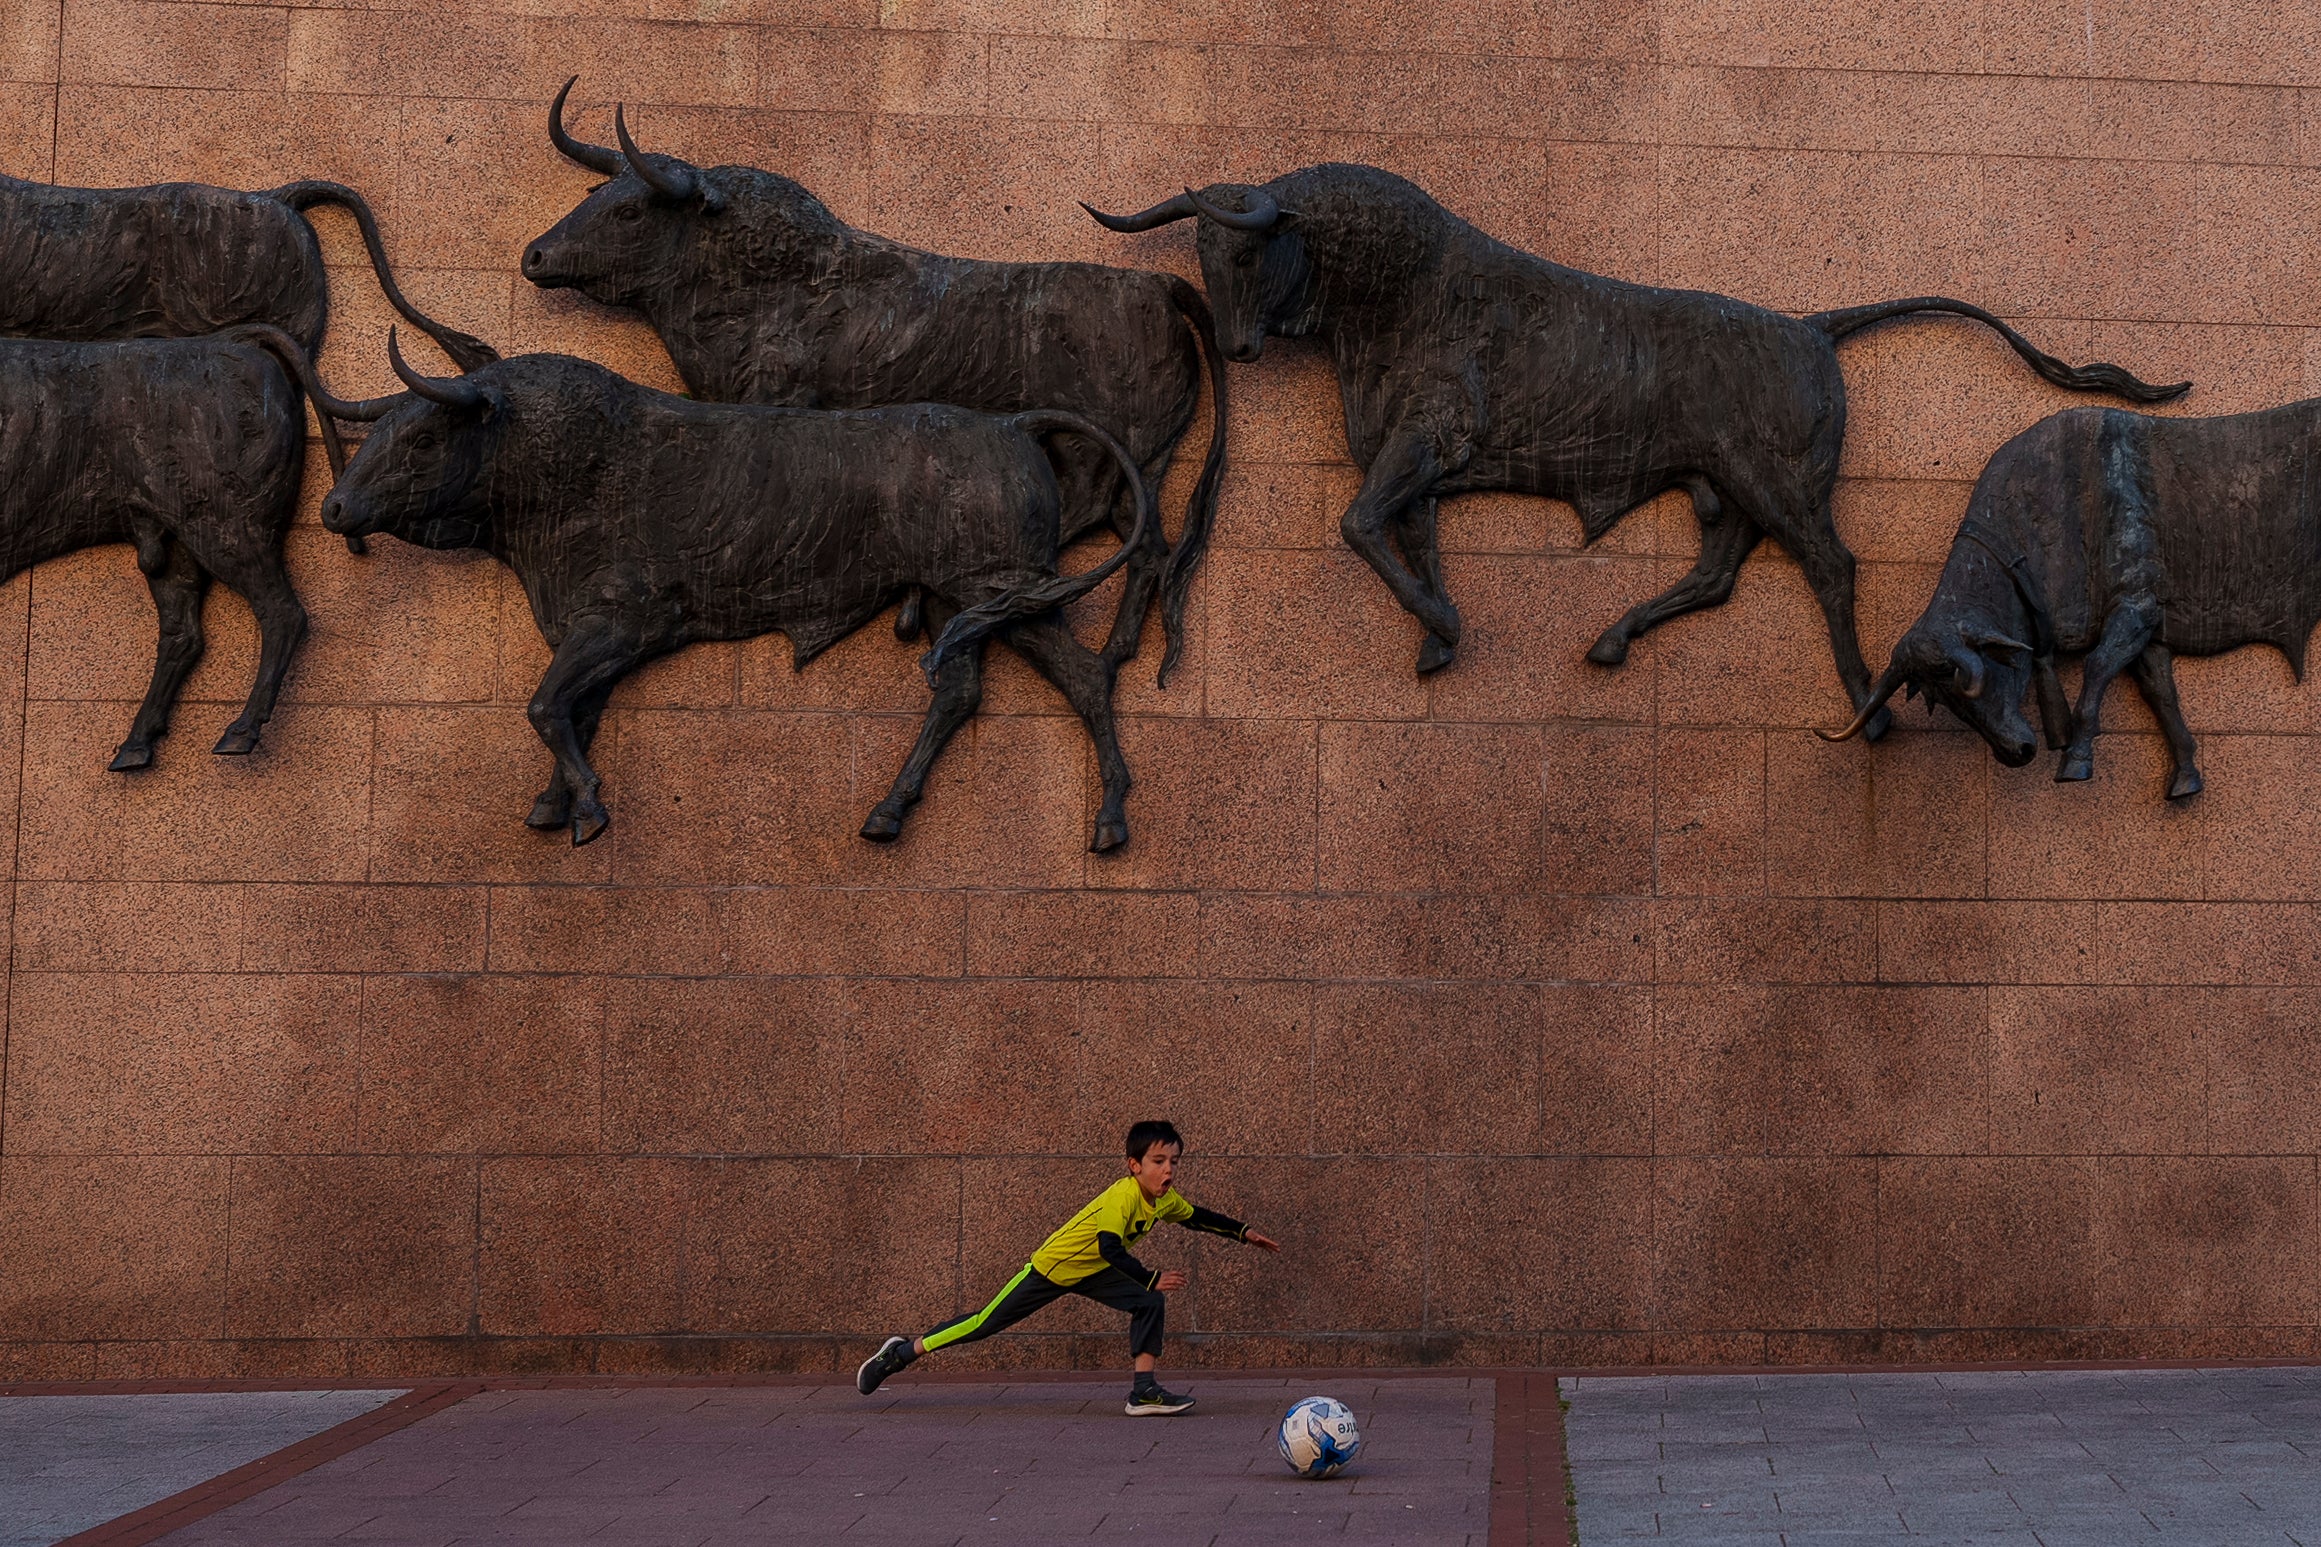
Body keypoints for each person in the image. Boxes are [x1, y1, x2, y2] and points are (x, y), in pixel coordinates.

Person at [855, 1118, 1280, 1415]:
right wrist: (1150, 1276)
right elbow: (1110, 1248)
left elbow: (1197, 1217)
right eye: (1158, 1161)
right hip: (1053, 1268)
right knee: (985, 1323)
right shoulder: (1123, 1196)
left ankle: (1144, 1392)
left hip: (1093, 1271)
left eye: (1174, 1161)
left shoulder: (1164, 1199)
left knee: (1149, 1302)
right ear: (1135, 1166)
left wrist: (1244, 1233)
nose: (1168, 1169)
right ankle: (901, 1353)